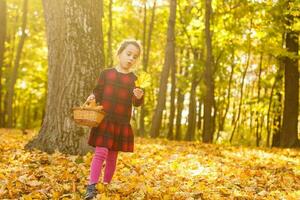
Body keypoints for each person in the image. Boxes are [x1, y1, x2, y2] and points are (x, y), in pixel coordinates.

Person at [84, 39, 144, 199]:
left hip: (121, 121)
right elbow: (98, 91)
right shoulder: (107, 73)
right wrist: (93, 96)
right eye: (128, 54)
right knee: (100, 152)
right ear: (119, 54)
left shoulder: (135, 79)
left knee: (112, 156)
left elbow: (137, 103)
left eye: (135, 56)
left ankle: (106, 184)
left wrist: (139, 97)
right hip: (105, 119)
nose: (131, 58)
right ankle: (91, 186)